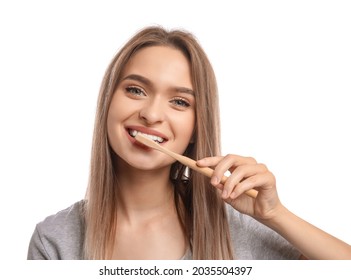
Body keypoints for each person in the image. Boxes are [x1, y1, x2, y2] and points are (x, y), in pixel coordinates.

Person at [27, 26, 351, 260]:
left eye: (180, 102)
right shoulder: (54, 241)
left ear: (196, 127)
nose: (152, 114)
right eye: (135, 90)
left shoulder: (235, 227)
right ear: (107, 104)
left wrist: (275, 214)